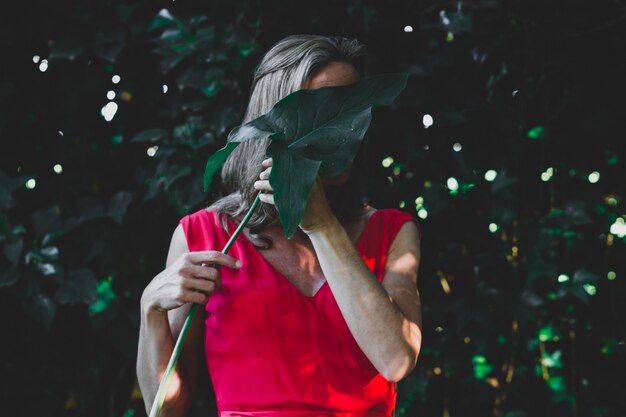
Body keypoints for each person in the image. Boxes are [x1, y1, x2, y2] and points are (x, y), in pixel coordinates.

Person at [137, 34, 422, 417]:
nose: (344, 127)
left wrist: (322, 226)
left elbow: (397, 360)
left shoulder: (391, 231)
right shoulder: (205, 236)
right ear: (278, 122)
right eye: (326, 108)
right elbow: (167, 410)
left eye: (354, 111)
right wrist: (150, 311)